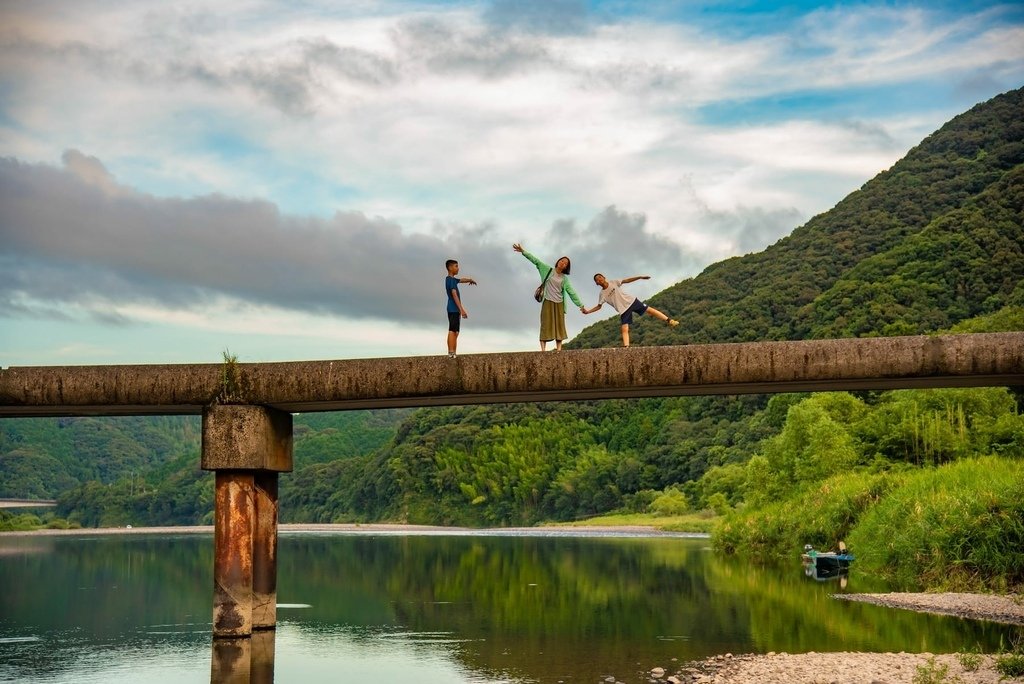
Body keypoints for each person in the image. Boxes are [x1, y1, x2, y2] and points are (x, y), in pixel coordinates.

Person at [513, 243, 583, 351]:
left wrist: (580, 305)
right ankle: (543, 350)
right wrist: (523, 251)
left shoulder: (565, 279)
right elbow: (535, 260)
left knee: (559, 326)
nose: (563, 263)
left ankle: (559, 349)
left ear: (566, 267)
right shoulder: (547, 269)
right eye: (562, 260)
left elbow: (571, 292)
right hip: (547, 301)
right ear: (558, 261)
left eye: (565, 263)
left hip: (559, 303)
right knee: (545, 324)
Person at [581, 274, 678, 347]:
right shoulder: (602, 294)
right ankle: (626, 347)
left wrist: (640, 277)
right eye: (597, 280)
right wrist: (588, 311)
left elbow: (626, 280)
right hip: (623, 310)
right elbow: (599, 306)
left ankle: (670, 320)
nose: (599, 280)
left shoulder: (613, 282)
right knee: (624, 329)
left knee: (650, 310)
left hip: (631, 301)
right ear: (597, 283)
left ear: (604, 277)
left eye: (600, 277)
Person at [445, 259, 476, 357]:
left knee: (456, 331)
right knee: (452, 330)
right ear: (450, 268)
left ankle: (454, 352)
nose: (458, 268)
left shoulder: (453, 280)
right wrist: (462, 309)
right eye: (456, 266)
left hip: (455, 309)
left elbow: (461, 280)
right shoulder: (450, 279)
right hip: (453, 308)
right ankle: (451, 352)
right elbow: (454, 294)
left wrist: (470, 280)